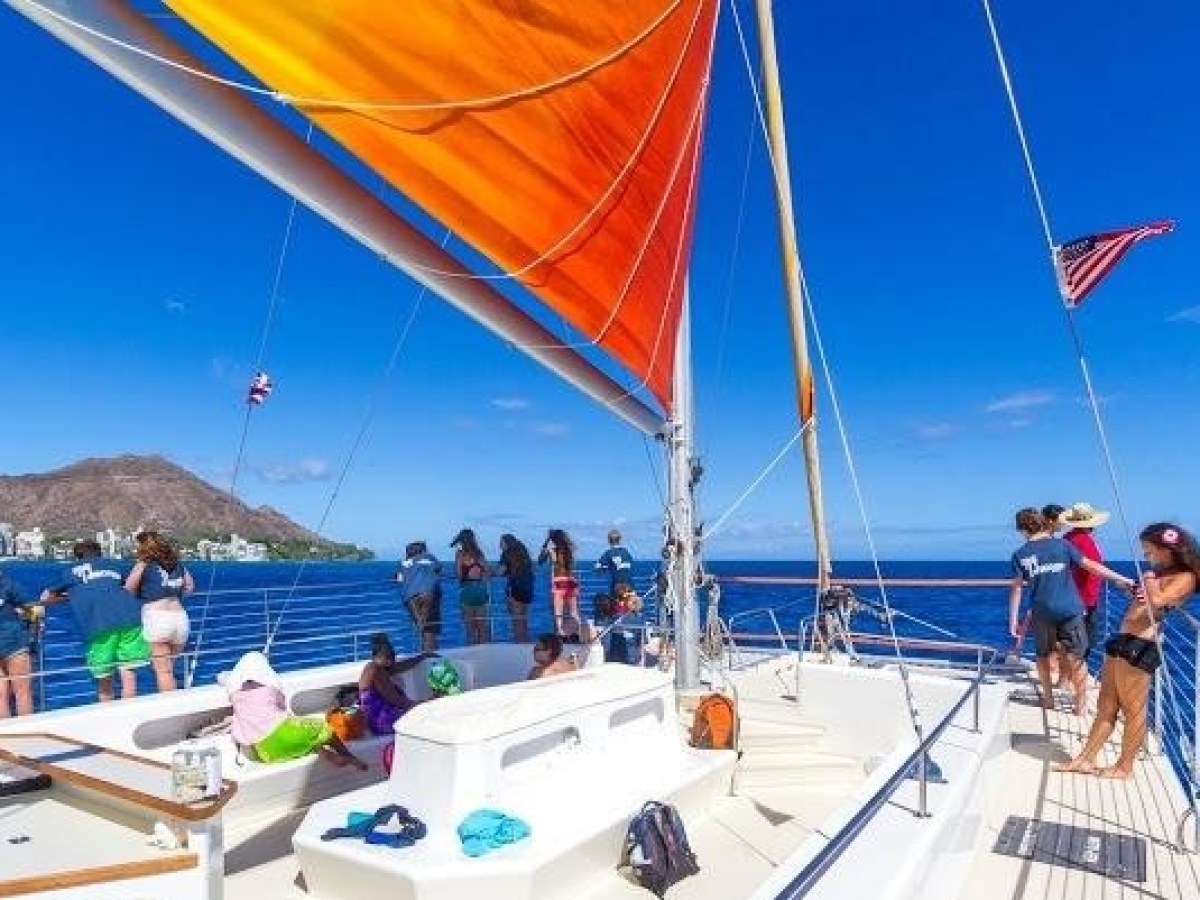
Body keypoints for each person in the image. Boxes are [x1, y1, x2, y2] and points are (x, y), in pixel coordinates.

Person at [1055, 523, 1200, 779]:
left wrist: (1148, 579)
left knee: (1133, 710)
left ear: (1167, 549)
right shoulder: (1159, 574)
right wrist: (1138, 585)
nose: (1146, 557)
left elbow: (1157, 602)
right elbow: (1147, 598)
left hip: (1141, 646)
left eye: (1149, 551)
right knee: (1106, 704)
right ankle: (1085, 759)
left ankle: (1125, 767)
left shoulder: (1185, 577)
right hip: (1123, 640)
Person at [1008, 508, 1134, 716]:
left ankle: (1049, 701)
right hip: (1070, 609)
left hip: (1042, 611)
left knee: (1042, 656)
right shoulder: (1062, 545)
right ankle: (1081, 707)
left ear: (1022, 530)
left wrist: (1014, 621)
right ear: (1041, 523)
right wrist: (1123, 579)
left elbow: (1017, 588)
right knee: (1077, 657)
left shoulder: (1019, 555)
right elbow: (1091, 566)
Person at [40, 540, 150, 702]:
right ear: (99, 553)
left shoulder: (70, 571)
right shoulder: (115, 566)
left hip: (99, 625)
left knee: (104, 679)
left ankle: (108, 718)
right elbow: (129, 586)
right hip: (130, 619)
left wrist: (71, 595)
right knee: (128, 675)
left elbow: (46, 597)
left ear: (77, 556)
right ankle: (129, 714)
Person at [221, 650, 366, 769]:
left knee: (304, 740)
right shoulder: (270, 688)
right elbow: (281, 708)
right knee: (323, 729)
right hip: (282, 737)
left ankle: (327, 755)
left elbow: (223, 677)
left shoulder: (235, 692)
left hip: (263, 752)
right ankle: (348, 755)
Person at [125, 530, 194, 692]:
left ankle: (172, 713)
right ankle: (175, 705)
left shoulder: (143, 563)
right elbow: (190, 586)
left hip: (157, 619)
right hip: (180, 619)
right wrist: (174, 594)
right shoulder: (177, 564)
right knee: (169, 669)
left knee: (163, 672)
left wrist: (140, 594)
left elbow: (128, 588)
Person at [357, 633, 436, 736]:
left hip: (375, 717)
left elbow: (404, 665)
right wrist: (425, 703)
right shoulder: (375, 670)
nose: (393, 659)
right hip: (380, 721)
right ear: (378, 656)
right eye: (389, 655)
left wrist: (423, 656)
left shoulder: (378, 667)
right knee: (425, 718)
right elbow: (396, 700)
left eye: (393, 654)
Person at [1058, 502, 1108, 663]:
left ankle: (1063, 679)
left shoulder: (1066, 539)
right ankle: (1073, 681)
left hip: (1071, 598)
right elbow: (1094, 567)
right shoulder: (1084, 541)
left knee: (1069, 641)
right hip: (1083, 600)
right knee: (1082, 645)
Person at [0, 568, 37, 717]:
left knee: (0, 697)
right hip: (13, 641)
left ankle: (5, 736)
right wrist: (32, 621)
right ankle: (26, 734)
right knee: (22, 693)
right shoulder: (7, 585)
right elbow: (32, 608)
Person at [396, 541, 442, 652]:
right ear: (423, 550)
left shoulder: (405, 562)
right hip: (428, 593)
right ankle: (430, 656)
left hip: (410, 596)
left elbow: (399, 578)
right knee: (429, 628)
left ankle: (422, 653)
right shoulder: (430, 557)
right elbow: (439, 569)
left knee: (420, 626)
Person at [451, 528, 490, 645]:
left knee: (470, 629)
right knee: (482, 628)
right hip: (480, 589)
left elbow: (458, 574)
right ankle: (484, 652)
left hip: (467, 590)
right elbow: (487, 570)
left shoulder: (460, 554)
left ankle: (473, 655)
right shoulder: (479, 553)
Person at [538, 528, 579, 638]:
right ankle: (575, 633)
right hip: (571, 581)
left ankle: (561, 634)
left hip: (559, 581)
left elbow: (540, 560)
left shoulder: (553, 550)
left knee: (558, 611)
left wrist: (546, 543)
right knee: (573, 611)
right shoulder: (570, 549)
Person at [496, 534, 534, 643]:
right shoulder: (523, 554)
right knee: (523, 620)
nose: (499, 545)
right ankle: (525, 643)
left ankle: (519, 644)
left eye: (501, 542)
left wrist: (490, 572)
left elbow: (500, 571)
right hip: (527, 590)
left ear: (507, 543)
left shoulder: (507, 553)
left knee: (516, 621)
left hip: (515, 589)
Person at [595, 529, 635, 597]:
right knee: (629, 605)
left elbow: (597, 567)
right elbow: (629, 564)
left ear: (609, 541)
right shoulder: (626, 552)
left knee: (615, 605)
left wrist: (606, 567)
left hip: (617, 586)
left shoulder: (609, 553)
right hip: (629, 585)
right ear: (620, 540)